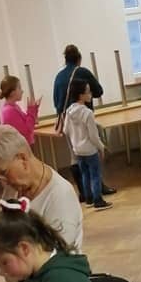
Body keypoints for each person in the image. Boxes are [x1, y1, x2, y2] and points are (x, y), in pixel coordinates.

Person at [0, 125, 82, 282]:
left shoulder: (60, 194)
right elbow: (3, 233)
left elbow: (53, 253)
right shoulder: (14, 188)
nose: (2, 181)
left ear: (22, 159)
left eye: (3, 172)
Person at [52, 44, 115, 198]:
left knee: (75, 156)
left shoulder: (59, 76)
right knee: (93, 153)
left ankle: (83, 192)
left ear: (65, 59)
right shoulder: (82, 72)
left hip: (67, 118)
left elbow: (56, 101)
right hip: (83, 116)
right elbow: (99, 91)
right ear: (79, 59)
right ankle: (98, 189)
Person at [63, 79, 111, 210]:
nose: (91, 94)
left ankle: (88, 198)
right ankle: (98, 200)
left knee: (85, 174)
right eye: (88, 92)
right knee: (95, 174)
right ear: (81, 95)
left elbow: (65, 130)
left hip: (78, 150)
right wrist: (101, 147)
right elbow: (93, 136)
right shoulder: (87, 113)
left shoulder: (69, 111)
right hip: (90, 150)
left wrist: (75, 140)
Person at [0, 75, 41, 146]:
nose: (22, 91)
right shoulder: (9, 111)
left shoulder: (14, 107)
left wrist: (34, 109)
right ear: (12, 92)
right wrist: (31, 110)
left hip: (24, 146)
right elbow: (27, 130)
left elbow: (30, 122)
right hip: (20, 148)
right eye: (19, 88)